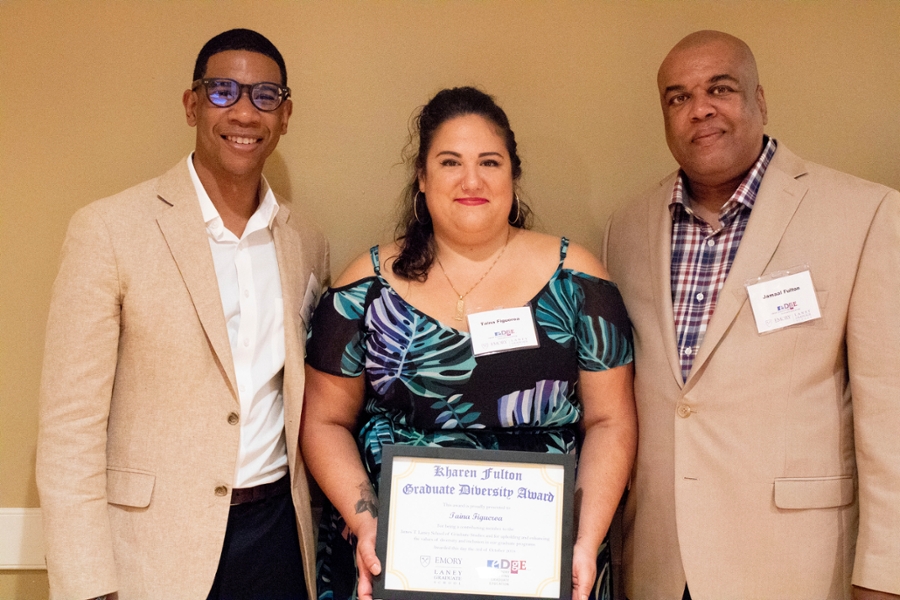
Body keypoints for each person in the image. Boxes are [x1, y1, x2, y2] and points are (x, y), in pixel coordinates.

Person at [299, 86, 636, 600]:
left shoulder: (578, 282)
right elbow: (324, 422)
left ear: (513, 175)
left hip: (544, 565)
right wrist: (367, 521)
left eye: (490, 162)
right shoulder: (365, 288)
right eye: (450, 162)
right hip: (395, 562)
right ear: (422, 178)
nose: (471, 180)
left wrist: (584, 542)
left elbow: (610, 420)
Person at [602, 30, 900, 600]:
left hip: (795, 566)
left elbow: (891, 414)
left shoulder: (863, 214)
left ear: (759, 100)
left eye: (720, 88)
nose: (701, 109)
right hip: (660, 565)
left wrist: (885, 574)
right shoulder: (627, 227)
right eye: (678, 97)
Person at [36, 28, 329, 600]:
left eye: (265, 96)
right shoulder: (109, 230)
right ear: (192, 104)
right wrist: (87, 586)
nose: (244, 112)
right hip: (153, 551)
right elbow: (70, 431)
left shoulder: (304, 242)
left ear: (286, 114)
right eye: (223, 91)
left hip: (277, 540)